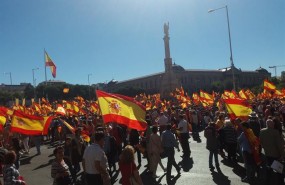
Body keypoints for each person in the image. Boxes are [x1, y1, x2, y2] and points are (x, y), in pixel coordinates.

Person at [259, 118, 284, 185]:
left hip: (267, 153)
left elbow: (260, 142)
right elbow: (279, 145)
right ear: (272, 124)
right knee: (279, 170)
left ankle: (267, 181)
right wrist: (282, 155)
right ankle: (280, 182)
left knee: (268, 169)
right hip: (276, 154)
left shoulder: (262, 131)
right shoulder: (275, 132)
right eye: (273, 123)